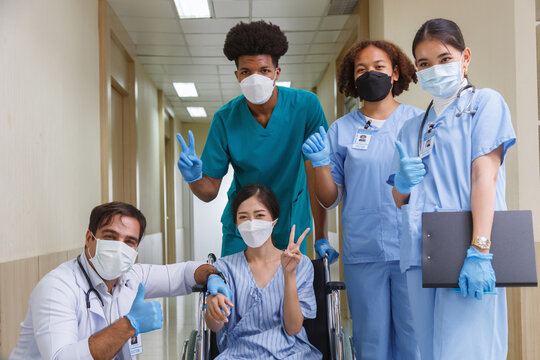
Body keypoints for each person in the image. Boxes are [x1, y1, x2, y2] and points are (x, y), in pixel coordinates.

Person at [389, 18, 516, 360]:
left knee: (466, 351)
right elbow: (400, 198)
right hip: (420, 251)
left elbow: (483, 177)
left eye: (444, 59)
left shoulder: (485, 104)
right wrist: (402, 183)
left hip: (467, 248)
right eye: (424, 64)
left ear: (465, 57)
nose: (434, 70)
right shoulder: (412, 128)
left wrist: (480, 250)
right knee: (430, 352)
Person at [302, 40, 421, 359]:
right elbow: (329, 198)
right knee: (370, 342)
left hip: (414, 249)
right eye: (362, 69)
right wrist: (320, 165)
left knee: (415, 340)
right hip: (364, 250)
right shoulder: (341, 130)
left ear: (395, 73)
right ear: (352, 79)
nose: (371, 74)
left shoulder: (418, 123)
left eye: (379, 67)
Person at [175, 20, 328, 257]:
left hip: (291, 221)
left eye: (264, 70)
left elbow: (316, 178)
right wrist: (193, 177)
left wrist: (322, 237)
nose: (255, 78)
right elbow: (209, 192)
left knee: (290, 292)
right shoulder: (225, 119)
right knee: (236, 289)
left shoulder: (306, 107)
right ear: (237, 75)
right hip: (243, 224)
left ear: (277, 72)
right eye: (246, 72)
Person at [9, 201, 232, 360]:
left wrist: (212, 275)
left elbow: (184, 273)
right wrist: (129, 325)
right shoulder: (57, 287)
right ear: (90, 239)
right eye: (110, 237)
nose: (119, 247)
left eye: (129, 241)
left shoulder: (131, 277)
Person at [204, 183, 321, 359]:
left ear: (274, 220)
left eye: (259, 215)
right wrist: (214, 307)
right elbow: (215, 327)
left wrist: (289, 275)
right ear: (236, 223)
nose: (251, 224)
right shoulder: (224, 268)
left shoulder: (300, 264)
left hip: (290, 353)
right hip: (239, 354)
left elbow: (293, 328)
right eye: (243, 217)